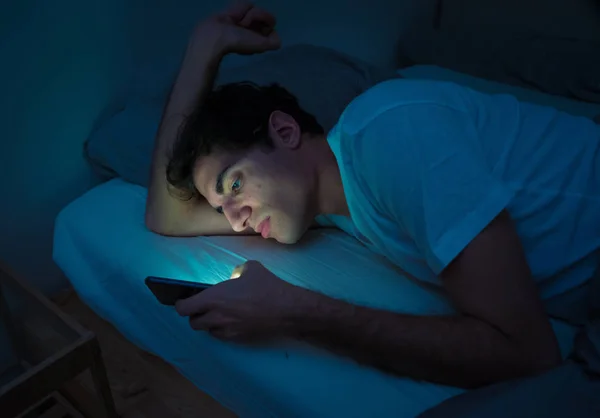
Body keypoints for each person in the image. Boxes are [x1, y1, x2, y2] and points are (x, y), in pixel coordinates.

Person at [145, 2, 600, 388]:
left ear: (284, 131)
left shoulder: (390, 134)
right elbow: (166, 215)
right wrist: (203, 49)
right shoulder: (326, 202)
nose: (237, 220)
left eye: (235, 185)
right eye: (224, 207)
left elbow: (527, 353)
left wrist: (295, 311)